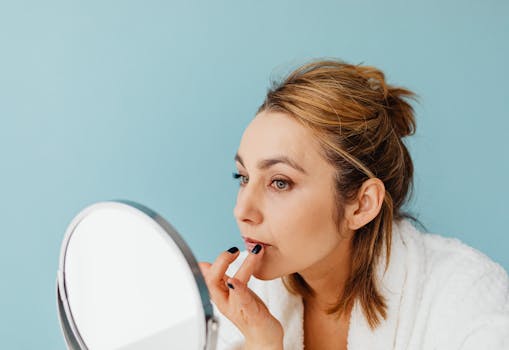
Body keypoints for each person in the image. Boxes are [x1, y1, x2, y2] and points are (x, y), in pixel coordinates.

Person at [198, 60, 509, 350]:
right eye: (243, 177)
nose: (242, 211)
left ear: (361, 204)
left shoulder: (465, 298)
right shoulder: (241, 306)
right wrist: (262, 341)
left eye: (280, 182)